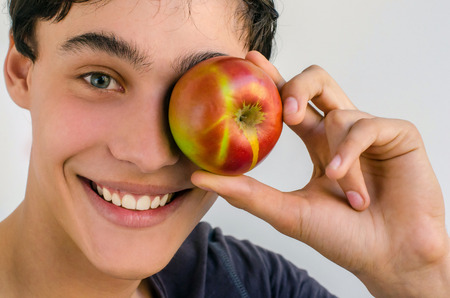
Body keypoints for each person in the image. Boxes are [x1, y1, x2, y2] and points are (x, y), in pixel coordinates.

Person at [0, 0, 448, 297]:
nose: (151, 153)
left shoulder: (259, 289)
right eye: (100, 79)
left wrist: (416, 276)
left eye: (195, 94)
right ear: (22, 73)